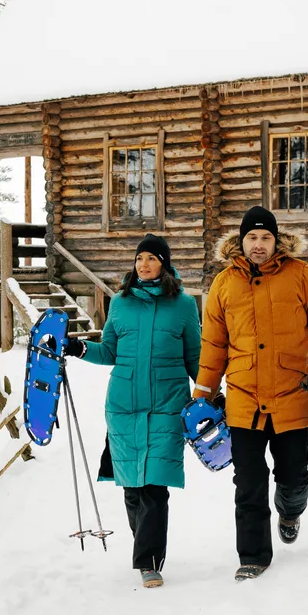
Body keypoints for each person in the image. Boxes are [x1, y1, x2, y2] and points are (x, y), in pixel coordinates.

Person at [194, 206, 308, 581]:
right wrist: (203, 394)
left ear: (277, 241)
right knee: (248, 484)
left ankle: (290, 510)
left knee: (293, 476)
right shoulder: (224, 284)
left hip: (291, 396)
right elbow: (213, 345)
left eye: (266, 237)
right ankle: (252, 556)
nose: (259, 244)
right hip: (243, 399)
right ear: (241, 241)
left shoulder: (300, 275)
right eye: (252, 237)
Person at [65, 234, 201, 588]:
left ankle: (149, 561)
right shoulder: (120, 303)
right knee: (132, 488)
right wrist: (79, 348)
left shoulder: (184, 305)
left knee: (154, 486)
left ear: (165, 264)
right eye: (140, 258)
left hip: (167, 407)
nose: (144, 264)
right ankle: (145, 543)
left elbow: (195, 359)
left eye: (152, 258)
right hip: (123, 406)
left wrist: (211, 393)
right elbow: (109, 352)